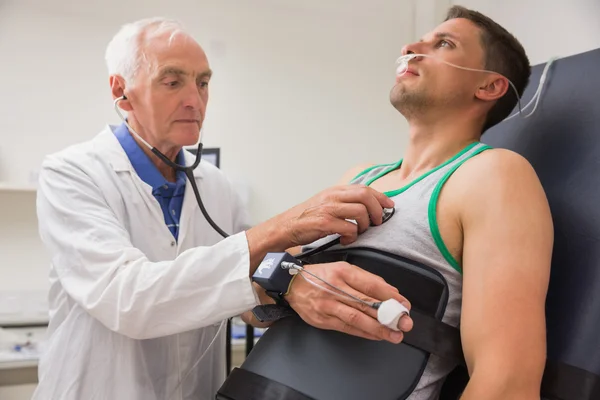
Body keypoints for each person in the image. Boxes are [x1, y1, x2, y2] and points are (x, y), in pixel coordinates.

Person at [32, 18, 413, 400]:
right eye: (172, 81)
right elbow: (128, 300)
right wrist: (283, 228)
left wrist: (294, 287)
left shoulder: (215, 186)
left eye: (202, 82)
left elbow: (240, 290)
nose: (195, 101)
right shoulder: (72, 174)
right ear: (122, 92)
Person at [247, 5, 554, 400]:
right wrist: (289, 283)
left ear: (489, 86)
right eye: (420, 40)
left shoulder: (493, 176)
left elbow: (508, 383)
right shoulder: (358, 178)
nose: (410, 47)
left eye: (443, 43)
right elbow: (251, 308)